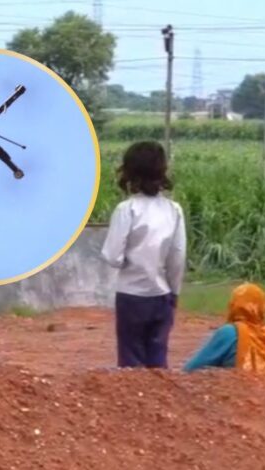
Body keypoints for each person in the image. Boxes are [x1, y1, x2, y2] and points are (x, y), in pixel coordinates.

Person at [101, 141, 186, 369]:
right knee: (158, 360)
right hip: (162, 295)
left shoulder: (126, 209)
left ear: (129, 172)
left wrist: (126, 260)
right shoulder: (174, 210)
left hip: (131, 295)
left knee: (131, 362)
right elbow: (177, 257)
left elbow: (112, 256)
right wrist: (174, 292)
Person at [183, 282, 265, 380]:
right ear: (263, 308)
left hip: (239, 391)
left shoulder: (230, 332)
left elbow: (190, 369)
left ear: (233, 305)